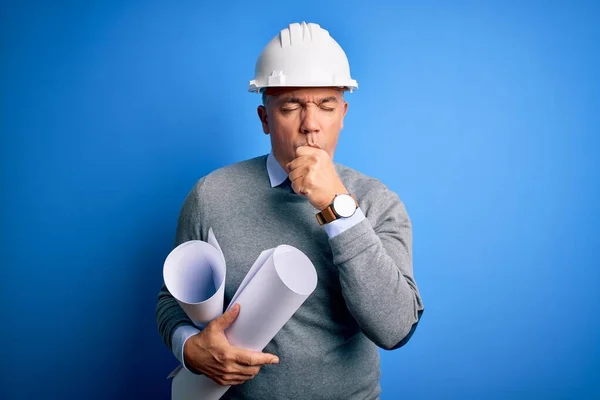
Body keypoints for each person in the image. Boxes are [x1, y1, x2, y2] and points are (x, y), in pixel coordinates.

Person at [156, 21, 424, 400]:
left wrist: (337, 207)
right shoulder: (211, 195)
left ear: (343, 114)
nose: (310, 125)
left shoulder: (377, 202)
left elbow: (395, 328)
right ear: (265, 119)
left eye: (326, 106)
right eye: (291, 106)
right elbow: (170, 300)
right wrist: (189, 347)